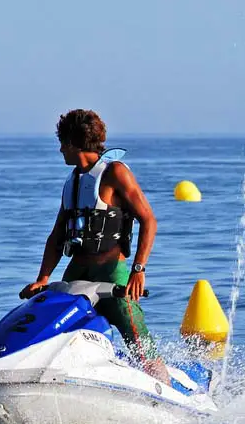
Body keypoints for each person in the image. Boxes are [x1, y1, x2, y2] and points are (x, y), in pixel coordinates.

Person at [19, 109, 170, 382]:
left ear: (76, 143)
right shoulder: (73, 181)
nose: (60, 149)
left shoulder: (115, 173)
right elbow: (56, 236)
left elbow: (148, 220)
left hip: (113, 274)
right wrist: (43, 278)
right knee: (51, 326)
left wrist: (139, 269)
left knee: (138, 341)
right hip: (77, 273)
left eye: (62, 142)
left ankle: (163, 384)